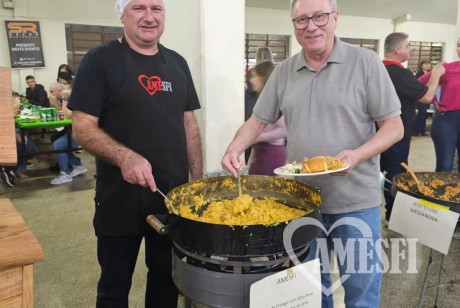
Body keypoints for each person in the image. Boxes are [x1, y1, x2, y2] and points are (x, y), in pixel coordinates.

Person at [222, 0, 404, 306]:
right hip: (303, 204)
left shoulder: (366, 62)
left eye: (319, 16)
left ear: (335, 18)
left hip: (356, 202)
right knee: (311, 290)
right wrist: (235, 146)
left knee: (361, 290)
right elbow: (257, 121)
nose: (311, 26)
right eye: (301, 19)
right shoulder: (284, 71)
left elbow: (394, 126)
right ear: (293, 25)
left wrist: (358, 155)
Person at [68, 0, 203, 306]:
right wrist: (124, 156)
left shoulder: (178, 63)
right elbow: (83, 126)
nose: (149, 17)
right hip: (119, 200)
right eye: (138, 8)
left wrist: (198, 181)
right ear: (122, 15)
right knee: (114, 287)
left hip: (171, 198)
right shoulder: (100, 60)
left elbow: (189, 125)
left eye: (156, 8)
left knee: (166, 282)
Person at [380, 33, 444, 224]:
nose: (411, 49)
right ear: (397, 50)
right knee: (395, 173)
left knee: (378, 172)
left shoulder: (378, 69)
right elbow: (426, 97)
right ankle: (393, 215)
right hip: (396, 135)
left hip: (375, 134)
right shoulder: (399, 73)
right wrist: (436, 75)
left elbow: (413, 87)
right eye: (408, 46)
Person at [418, 37, 460, 173]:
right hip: (447, 121)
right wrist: (433, 100)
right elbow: (418, 84)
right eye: (459, 45)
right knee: (444, 168)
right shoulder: (447, 68)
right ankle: (442, 193)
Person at [247, 61, 287, 175]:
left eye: (254, 76)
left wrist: (258, 137)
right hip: (261, 151)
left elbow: (284, 130)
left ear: (263, 77)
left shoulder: (275, 100)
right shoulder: (260, 99)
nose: (251, 80)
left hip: (272, 153)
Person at [48, 83, 87, 185]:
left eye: (69, 90)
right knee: (56, 139)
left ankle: (65, 173)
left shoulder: (78, 98)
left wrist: (65, 99)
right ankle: (77, 165)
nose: (50, 94)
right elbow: (64, 113)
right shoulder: (76, 98)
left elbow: (67, 114)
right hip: (76, 128)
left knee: (58, 144)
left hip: (83, 131)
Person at [244, 46, 274, 163]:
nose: (252, 80)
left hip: (268, 152)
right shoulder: (274, 73)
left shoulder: (255, 72)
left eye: (254, 78)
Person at [413, 59, 432, 136]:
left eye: (428, 63)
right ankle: (415, 131)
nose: (427, 65)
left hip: (427, 95)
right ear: (421, 65)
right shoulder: (419, 74)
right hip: (420, 96)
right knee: (421, 113)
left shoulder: (430, 73)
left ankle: (422, 131)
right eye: (425, 64)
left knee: (425, 114)